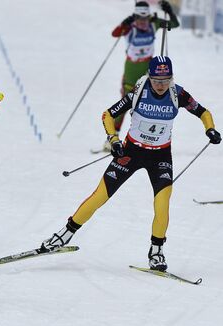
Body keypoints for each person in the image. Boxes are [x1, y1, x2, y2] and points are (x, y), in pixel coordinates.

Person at [41, 56, 221, 271]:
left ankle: (156, 251)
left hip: (160, 157)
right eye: (156, 80)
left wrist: (209, 128)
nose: (161, 85)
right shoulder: (139, 92)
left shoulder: (178, 94)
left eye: (165, 80)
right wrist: (114, 140)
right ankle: (64, 235)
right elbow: (108, 115)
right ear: (149, 77)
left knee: (162, 206)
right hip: (131, 152)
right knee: (99, 196)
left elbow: (203, 112)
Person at [104, 0, 179, 151]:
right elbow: (115, 34)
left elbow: (174, 25)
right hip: (131, 70)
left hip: (148, 71)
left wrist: (169, 11)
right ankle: (113, 138)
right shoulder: (130, 26)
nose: (142, 22)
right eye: (139, 18)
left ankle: (147, 137)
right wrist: (125, 23)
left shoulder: (154, 23)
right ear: (135, 16)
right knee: (125, 103)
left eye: (145, 18)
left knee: (148, 103)